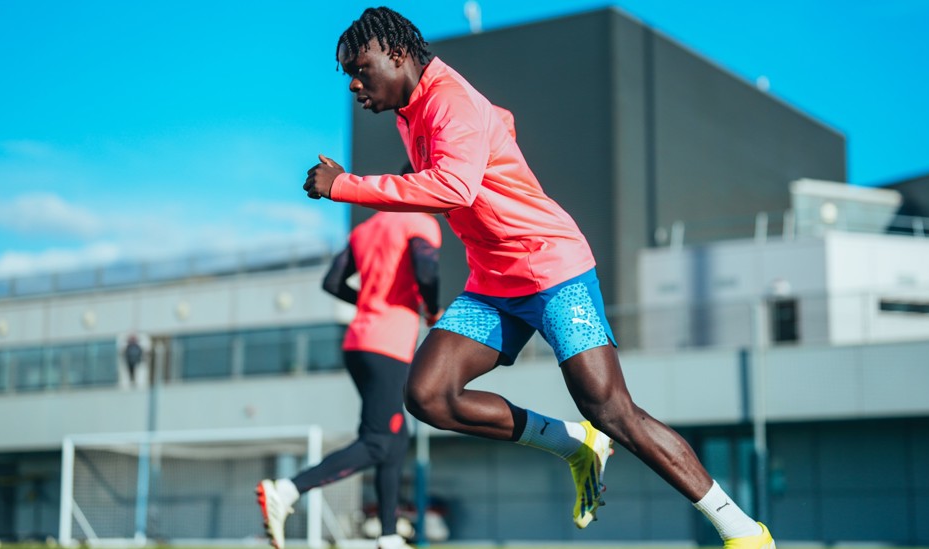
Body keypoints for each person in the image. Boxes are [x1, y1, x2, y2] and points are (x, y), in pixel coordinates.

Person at [301, 7, 777, 549]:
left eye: (361, 69)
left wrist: (346, 186)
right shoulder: (414, 112)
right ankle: (575, 444)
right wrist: (496, 135)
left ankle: (743, 531)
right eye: (349, 77)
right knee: (428, 395)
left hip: (552, 267)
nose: (356, 86)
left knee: (610, 409)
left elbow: (454, 188)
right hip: (494, 281)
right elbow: (496, 120)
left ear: (397, 53)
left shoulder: (448, 99)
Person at [256, 206, 443, 549]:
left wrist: (371, 302)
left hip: (358, 342)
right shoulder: (420, 222)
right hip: (386, 345)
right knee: (377, 442)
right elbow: (426, 271)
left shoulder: (366, 229)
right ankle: (286, 490)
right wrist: (431, 310)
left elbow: (332, 282)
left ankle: (388, 536)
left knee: (395, 438)